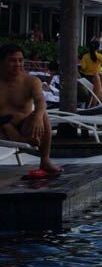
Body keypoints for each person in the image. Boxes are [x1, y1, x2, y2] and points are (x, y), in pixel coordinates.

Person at [0, 44, 60, 174]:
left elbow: (41, 101)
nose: (18, 64)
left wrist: (38, 117)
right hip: (1, 128)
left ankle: (45, 160)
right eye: (12, 60)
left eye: (20, 60)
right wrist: (5, 124)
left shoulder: (31, 81)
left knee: (42, 115)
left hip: (25, 127)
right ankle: (23, 140)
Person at [79, 39, 102, 104]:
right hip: (95, 77)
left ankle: (97, 101)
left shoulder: (85, 56)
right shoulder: (100, 56)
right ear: (98, 48)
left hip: (88, 77)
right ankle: (99, 101)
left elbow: (83, 68)